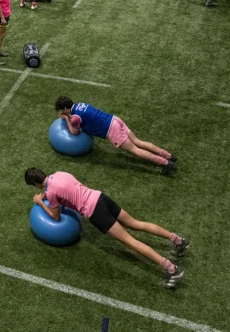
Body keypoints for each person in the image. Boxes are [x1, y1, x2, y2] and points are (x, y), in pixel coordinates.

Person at [25, 168, 188, 289]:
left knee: (130, 241)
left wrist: (40, 202)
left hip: (95, 211)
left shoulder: (51, 191)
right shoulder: (60, 173)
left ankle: (172, 269)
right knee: (136, 223)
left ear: (35, 184)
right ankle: (178, 241)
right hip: (100, 197)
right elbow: (68, 191)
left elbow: (56, 217)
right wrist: (51, 196)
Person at [54, 97, 177, 174]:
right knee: (138, 142)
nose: (61, 112)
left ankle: (166, 164)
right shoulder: (81, 104)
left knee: (135, 150)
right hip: (114, 119)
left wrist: (66, 118)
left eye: (61, 110)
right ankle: (169, 156)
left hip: (111, 130)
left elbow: (74, 132)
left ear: (65, 108)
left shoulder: (75, 117)